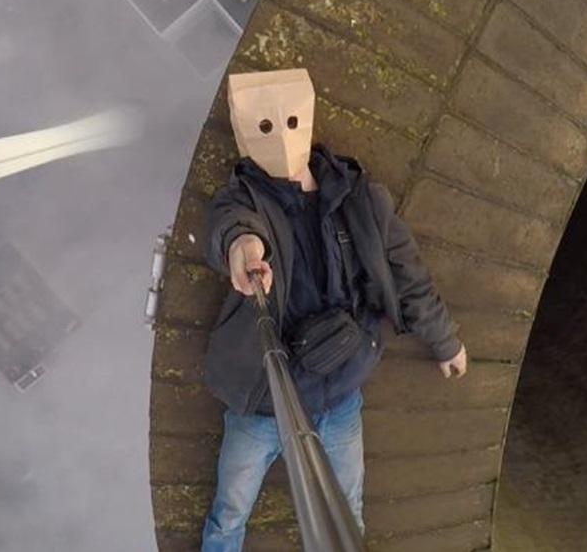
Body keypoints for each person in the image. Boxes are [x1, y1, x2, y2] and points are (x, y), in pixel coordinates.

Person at [200, 68, 468, 551]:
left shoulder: (359, 197)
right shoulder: (243, 199)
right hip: (265, 399)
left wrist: (445, 340)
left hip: (339, 394)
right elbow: (231, 226)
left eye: (291, 121)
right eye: (264, 126)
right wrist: (243, 247)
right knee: (229, 514)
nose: (281, 135)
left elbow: (408, 272)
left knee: (347, 514)